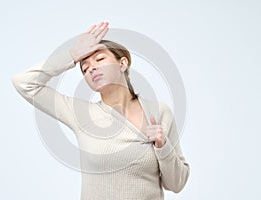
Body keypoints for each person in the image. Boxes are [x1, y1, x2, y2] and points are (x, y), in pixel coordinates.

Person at [12, 21, 190, 200]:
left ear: (123, 64)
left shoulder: (159, 112)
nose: (92, 68)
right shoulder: (79, 113)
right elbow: (24, 83)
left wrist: (163, 146)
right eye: (85, 68)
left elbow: (177, 183)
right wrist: (72, 55)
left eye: (100, 59)